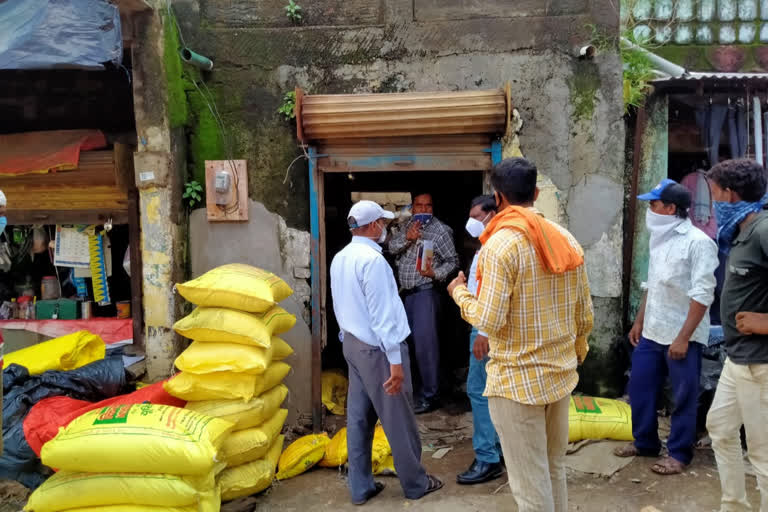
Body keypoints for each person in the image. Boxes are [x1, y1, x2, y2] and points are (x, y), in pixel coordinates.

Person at [447, 157, 593, 512]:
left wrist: (459, 293)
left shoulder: (500, 246)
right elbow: (584, 315)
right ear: (537, 193)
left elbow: (490, 320)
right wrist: (573, 356)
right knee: (553, 469)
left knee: (530, 487)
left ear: (497, 199)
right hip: (558, 378)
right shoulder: (566, 239)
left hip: (517, 385)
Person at [330, 200, 443, 505]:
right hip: (378, 349)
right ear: (373, 225)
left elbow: (340, 306)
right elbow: (383, 316)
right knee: (399, 418)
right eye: (383, 222)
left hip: (353, 344)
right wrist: (395, 361)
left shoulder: (341, 257)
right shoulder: (373, 262)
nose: (386, 227)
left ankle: (361, 486)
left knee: (358, 419)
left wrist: (348, 340)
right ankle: (416, 483)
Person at [613, 179, 718, 475]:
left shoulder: (699, 243)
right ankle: (645, 442)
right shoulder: (659, 238)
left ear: (671, 208)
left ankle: (679, 453)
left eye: (654, 204)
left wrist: (683, 338)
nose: (650, 209)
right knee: (640, 387)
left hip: (683, 335)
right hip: (652, 331)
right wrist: (640, 320)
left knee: (683, 396)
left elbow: (702, 295)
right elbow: (654, 283)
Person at [705, 159, 768, 512]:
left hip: (760, 364)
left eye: (715, 195)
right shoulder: (742, 232)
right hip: (738, 358)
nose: (713, 205)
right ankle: (734, 506)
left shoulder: (763, 229)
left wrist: (765, 322)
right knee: (721, 428)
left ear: (731, 195)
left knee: (762, 454)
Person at [389, 192, 459, 414]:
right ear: (413, 207)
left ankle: (431, 395)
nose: (424, 210)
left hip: (425, 294)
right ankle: (416, 390)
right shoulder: (407, 225)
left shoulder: (441, 231)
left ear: (433, 207)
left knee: (426, 347)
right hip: (404, 295)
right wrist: (408, 238)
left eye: (428, 206)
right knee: (406, 344)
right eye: (419, 206)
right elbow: (391, 248)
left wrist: (435, 273)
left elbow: (453, 260)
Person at [457, 195, 504, 485]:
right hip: (485, 325)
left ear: (491, 213)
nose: (472, 221)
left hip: (485, 327)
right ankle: (497, 451)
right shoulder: (488, 243)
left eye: (476, 215)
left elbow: (493, 294)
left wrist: (482, 332)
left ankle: (488, 458)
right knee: (492, 392)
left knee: (479, 390)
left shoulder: (495, 245)